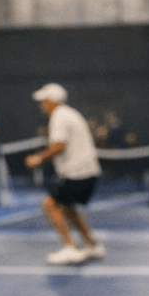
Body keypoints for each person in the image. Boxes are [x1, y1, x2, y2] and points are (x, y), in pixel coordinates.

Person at [24, 83, 103, 265]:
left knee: (50, 204)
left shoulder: (59, 116)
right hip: (87, 172)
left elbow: (59, 145)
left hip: (77, 173)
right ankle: (92, 245)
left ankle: (70, 247)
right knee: (67, 207)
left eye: (44, 100)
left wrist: (38, 158)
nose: (42, 105)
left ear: (53, 101)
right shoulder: (70, 113)